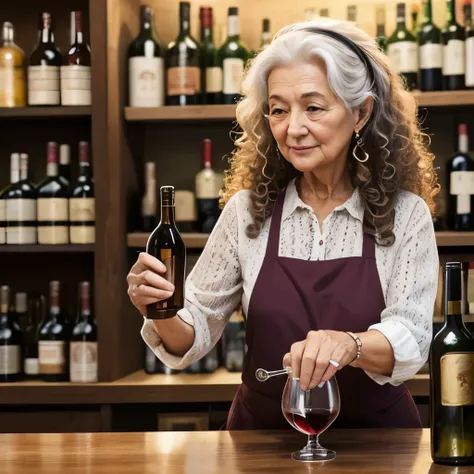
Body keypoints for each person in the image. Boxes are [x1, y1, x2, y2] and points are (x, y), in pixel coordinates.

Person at [127, 18, 440, 430]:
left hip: (377, 443)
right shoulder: (247, 212)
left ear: (361, 112)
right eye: (278, 109)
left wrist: (351, 344)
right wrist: (160, 308)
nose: (293, 128)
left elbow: (413, 337)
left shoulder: (406, 214)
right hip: (263, 443)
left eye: (313, 107)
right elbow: (195, 329)